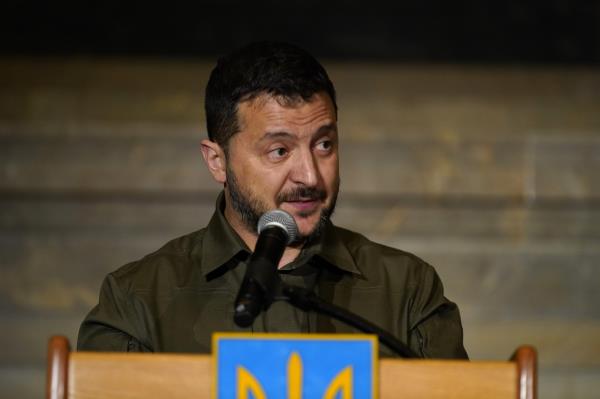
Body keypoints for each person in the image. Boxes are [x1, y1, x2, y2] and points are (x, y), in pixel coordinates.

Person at [78, 41, 468, 358]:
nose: (310, 176)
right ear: (218, 161)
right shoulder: (136, 299)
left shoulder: (407, 288)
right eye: (279, 151)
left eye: (324, 144)